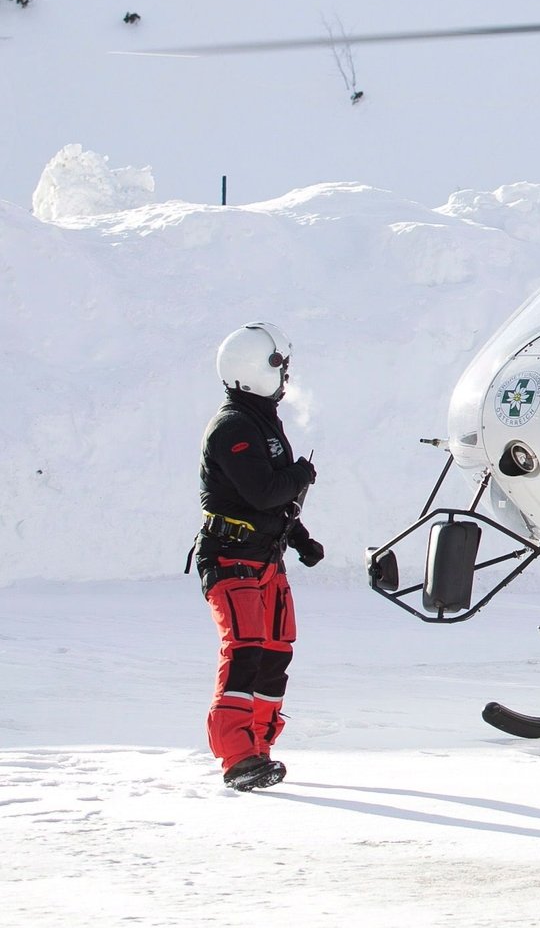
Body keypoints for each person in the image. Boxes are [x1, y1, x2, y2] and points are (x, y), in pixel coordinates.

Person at [192, 322, 324, 791]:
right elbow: (264, 491)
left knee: (274, 652)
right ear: (255, 370)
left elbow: (275, 502)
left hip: (265, 557)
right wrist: (300, 474)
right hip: (230, 558)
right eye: (279, 368)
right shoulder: (232, 427)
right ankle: (236, 755)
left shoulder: (263, 421)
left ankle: (260, 747)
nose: (285, 377)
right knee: (245, 648)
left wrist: (302, 539)